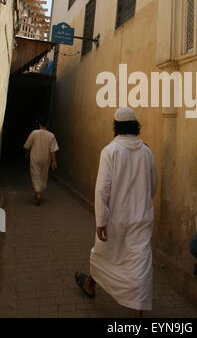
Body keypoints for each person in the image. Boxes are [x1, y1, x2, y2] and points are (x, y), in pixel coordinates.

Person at [75, 107, 157, 318]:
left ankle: (91, 285)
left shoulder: (110, 151)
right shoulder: (147, 151)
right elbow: (153, 185)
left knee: (104, 254)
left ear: (116, 126)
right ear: (135, 125)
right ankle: (135, 313)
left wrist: (101, 220)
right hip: (141, 217)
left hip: (115, 219)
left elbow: (103, 188)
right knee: (139, 263)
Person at [24, 116, 59, 205]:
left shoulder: (34, 133)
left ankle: (38, 193)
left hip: (35, 157)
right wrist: (54, 161)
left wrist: (27, 154)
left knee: (35, 174)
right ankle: (39, 192)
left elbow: (28, 145)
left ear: (39, 123)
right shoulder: (51, 135)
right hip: (45, 158)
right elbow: (53, 149)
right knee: (43, 175)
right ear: (46, 124)